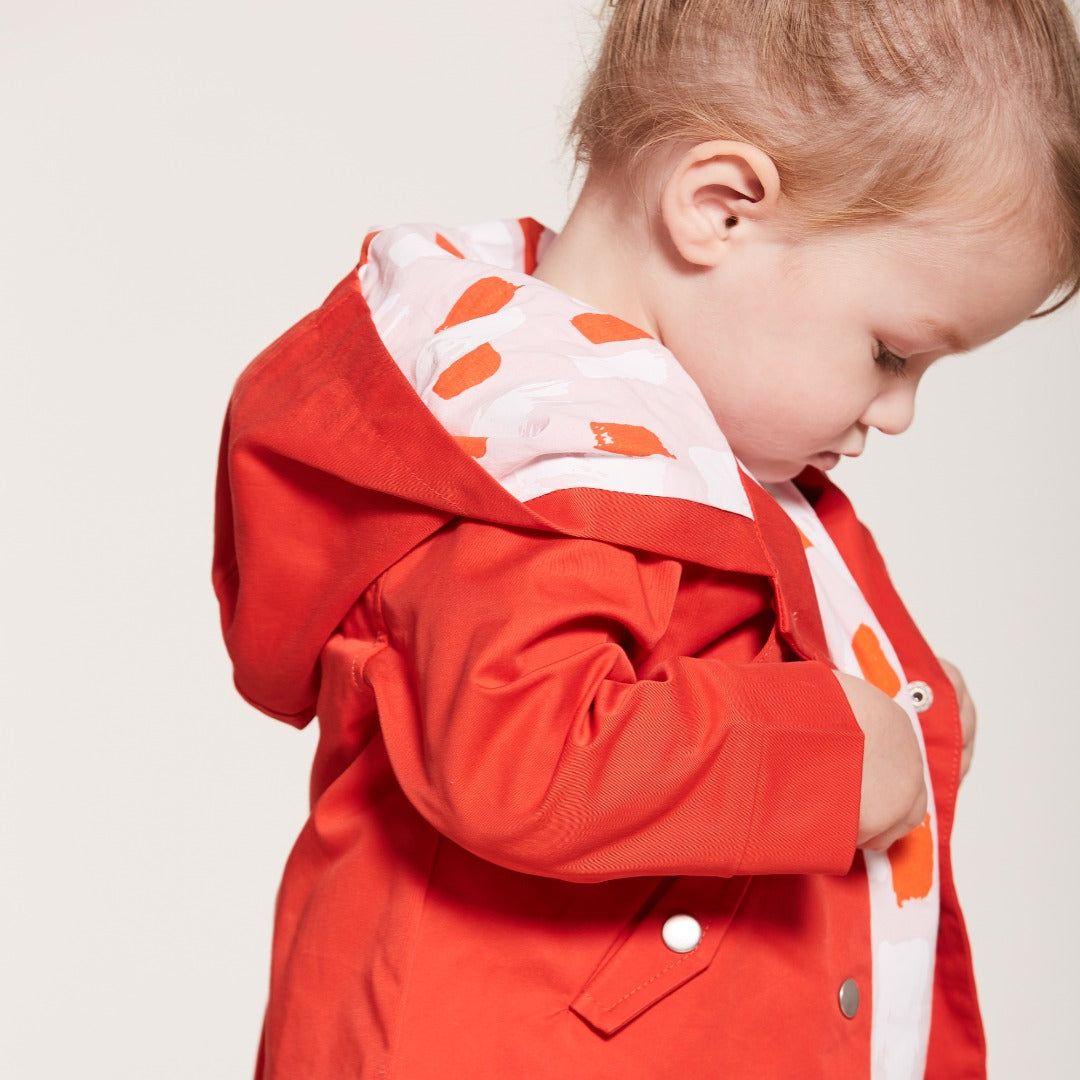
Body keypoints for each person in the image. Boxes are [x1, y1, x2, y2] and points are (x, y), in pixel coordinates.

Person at [213, 2, 1080, 1077]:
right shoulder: (548, 458)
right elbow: (530, 750)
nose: (895, 412)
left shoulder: (667, 450)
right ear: (719, 210)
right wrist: (840, 753)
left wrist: (909, 718)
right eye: (893, 354)